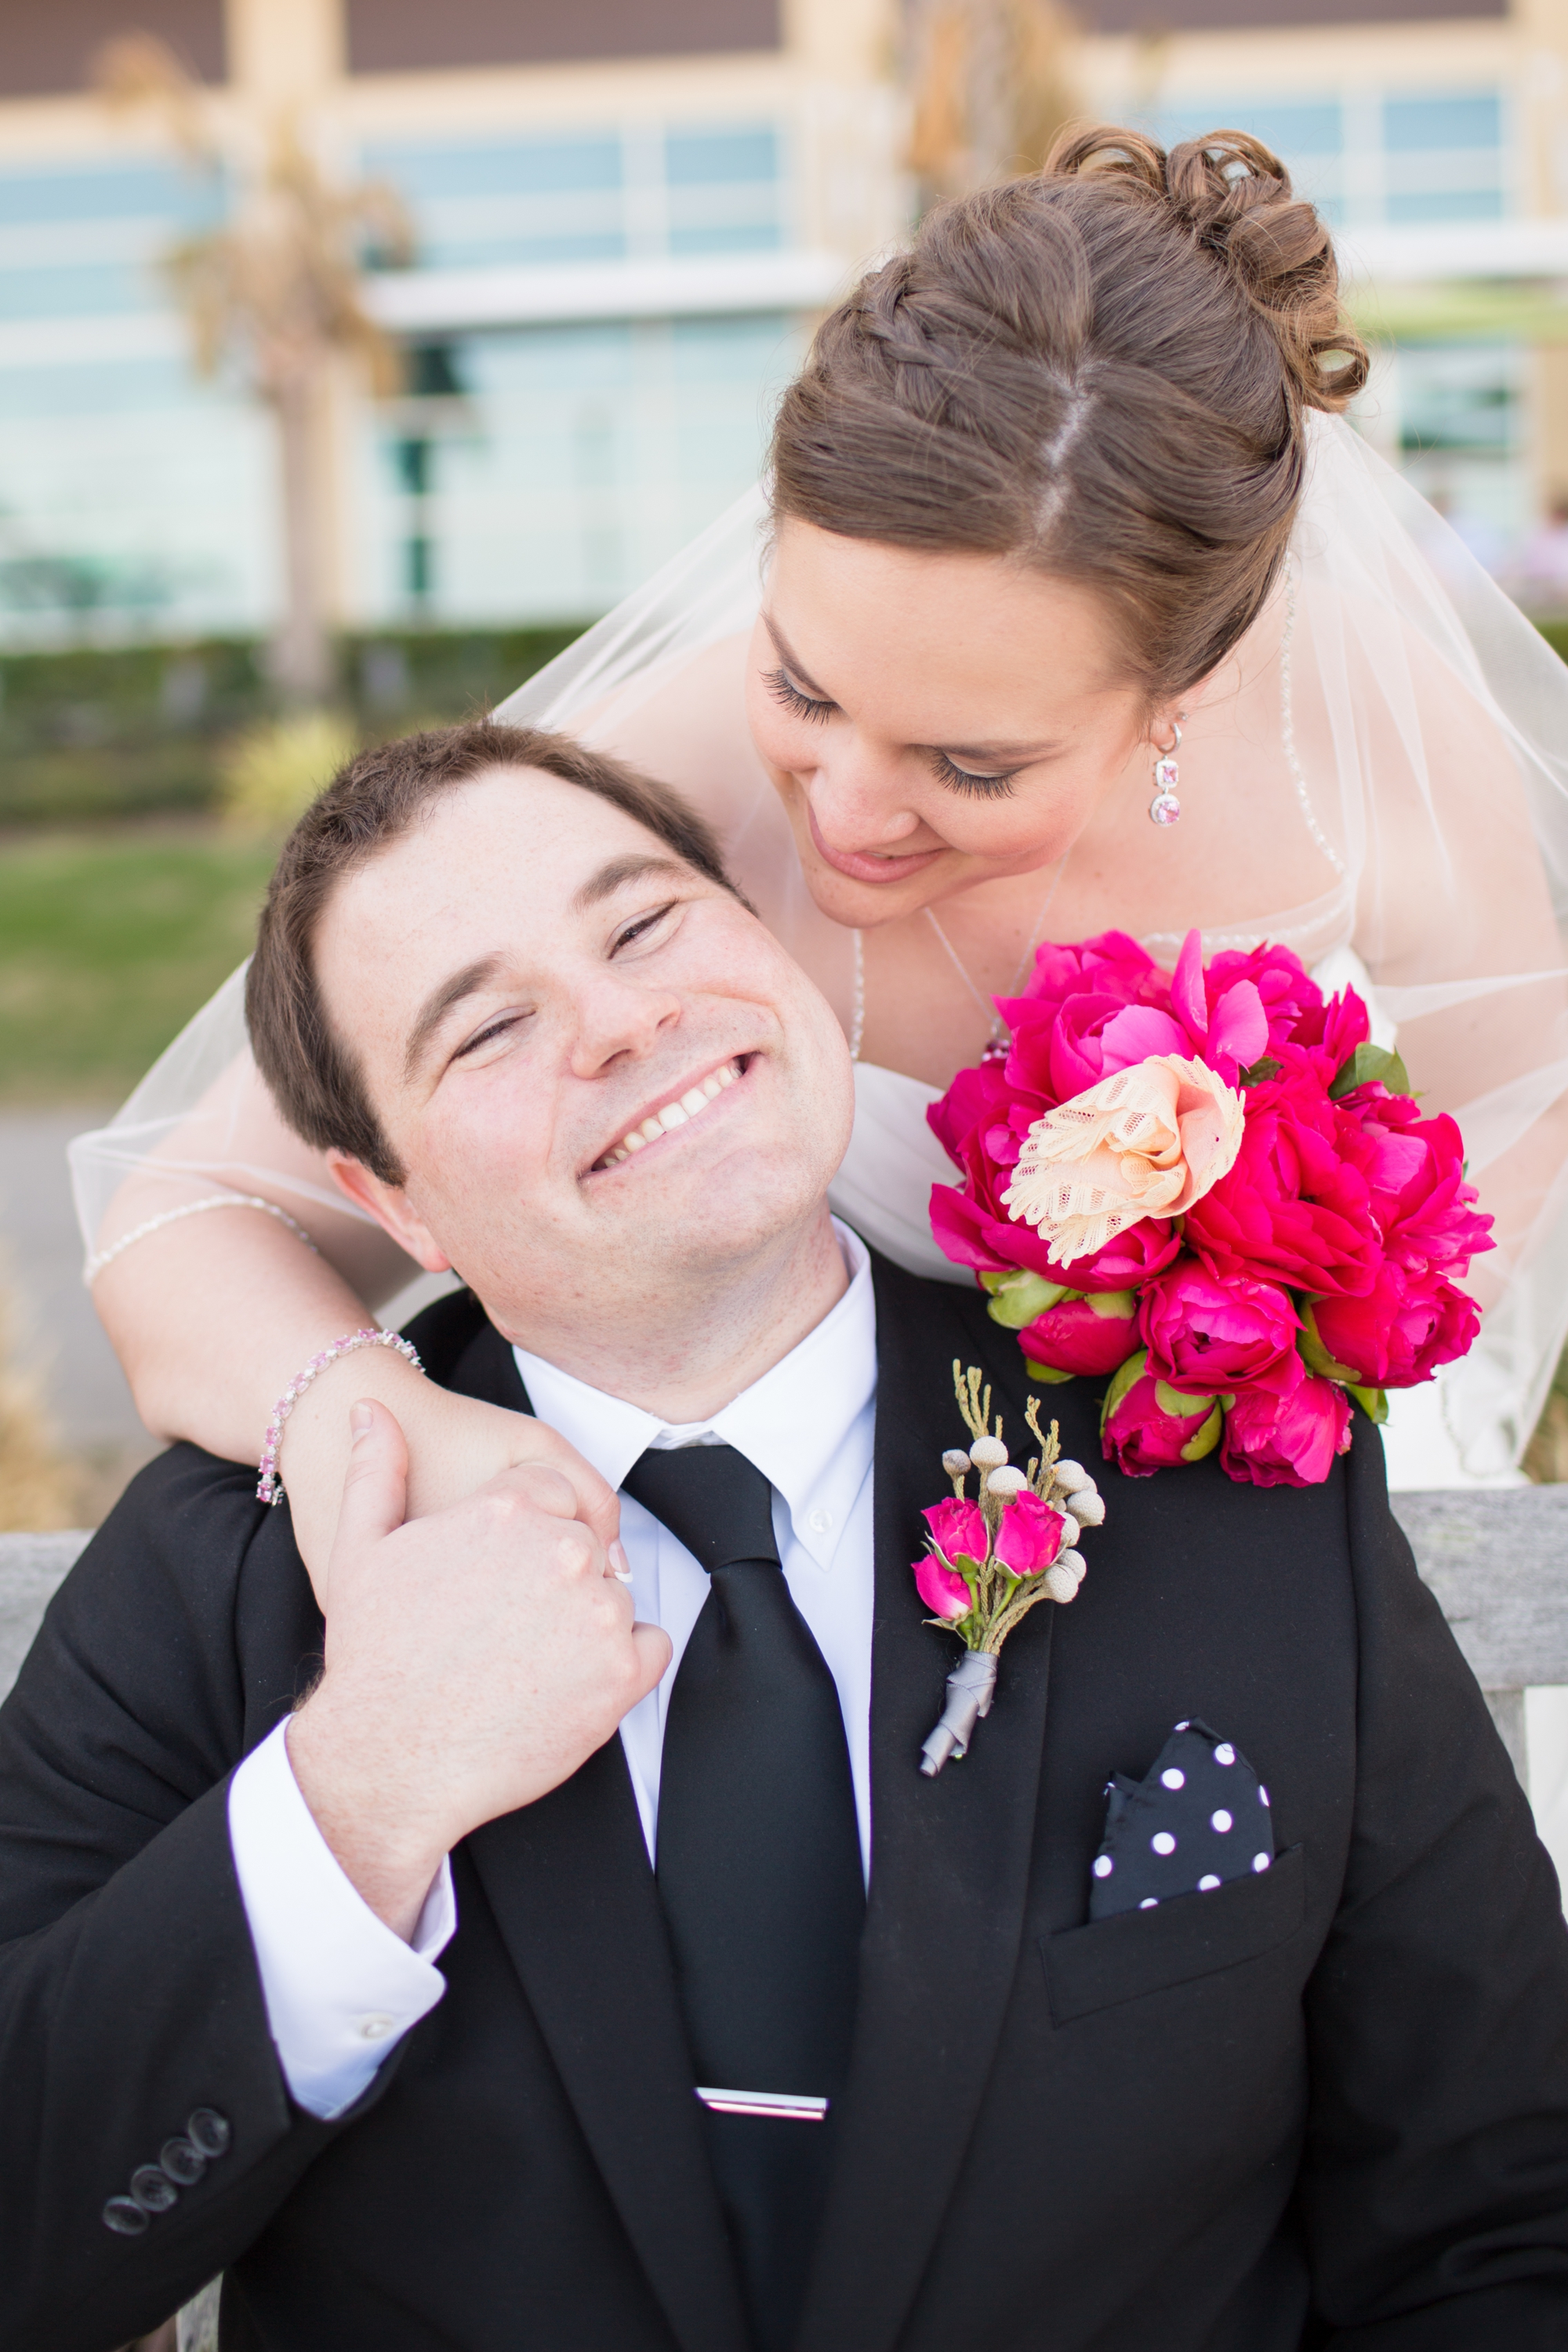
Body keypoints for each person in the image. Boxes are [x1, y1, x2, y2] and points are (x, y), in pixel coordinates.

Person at [7, 722, 1568, 2352]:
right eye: (488, 1030)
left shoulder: (1219, 1480)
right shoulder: (239, 1566)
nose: (623, 1023)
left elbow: (1500, 2209)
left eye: (641, 924)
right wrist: (361, 1799)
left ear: (772, 945)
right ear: (385, 1197)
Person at [71, 127, 1568, 1584]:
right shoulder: (630, 809)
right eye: (803, 685)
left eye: (972, 763)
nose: (846, 813)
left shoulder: (1366, 771)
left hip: (1274, 1568)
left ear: (1181, 690)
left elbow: (1513, 1118)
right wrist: (381, 1422)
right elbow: (191, 1222)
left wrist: (1294, 1374)